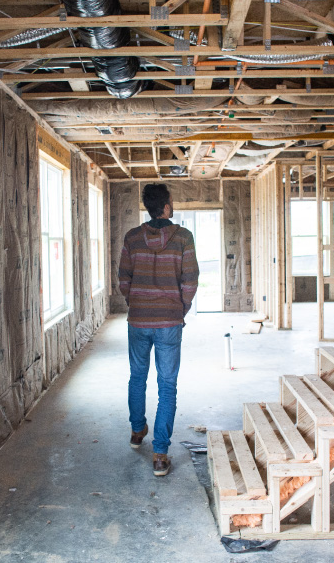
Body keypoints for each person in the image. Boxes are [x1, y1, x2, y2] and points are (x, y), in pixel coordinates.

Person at [118, 183, 199, 476]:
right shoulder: (183, 238)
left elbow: (123, 279)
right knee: (167, 385)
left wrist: (135, 303)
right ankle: (160, 455)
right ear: (165, 207)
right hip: (169, 323)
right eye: (171, 201)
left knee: (137, 377)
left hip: (138, 321)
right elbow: (190, 281)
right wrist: (179, 309)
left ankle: (138, 431)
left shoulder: (132, 238)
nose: (172, 205)